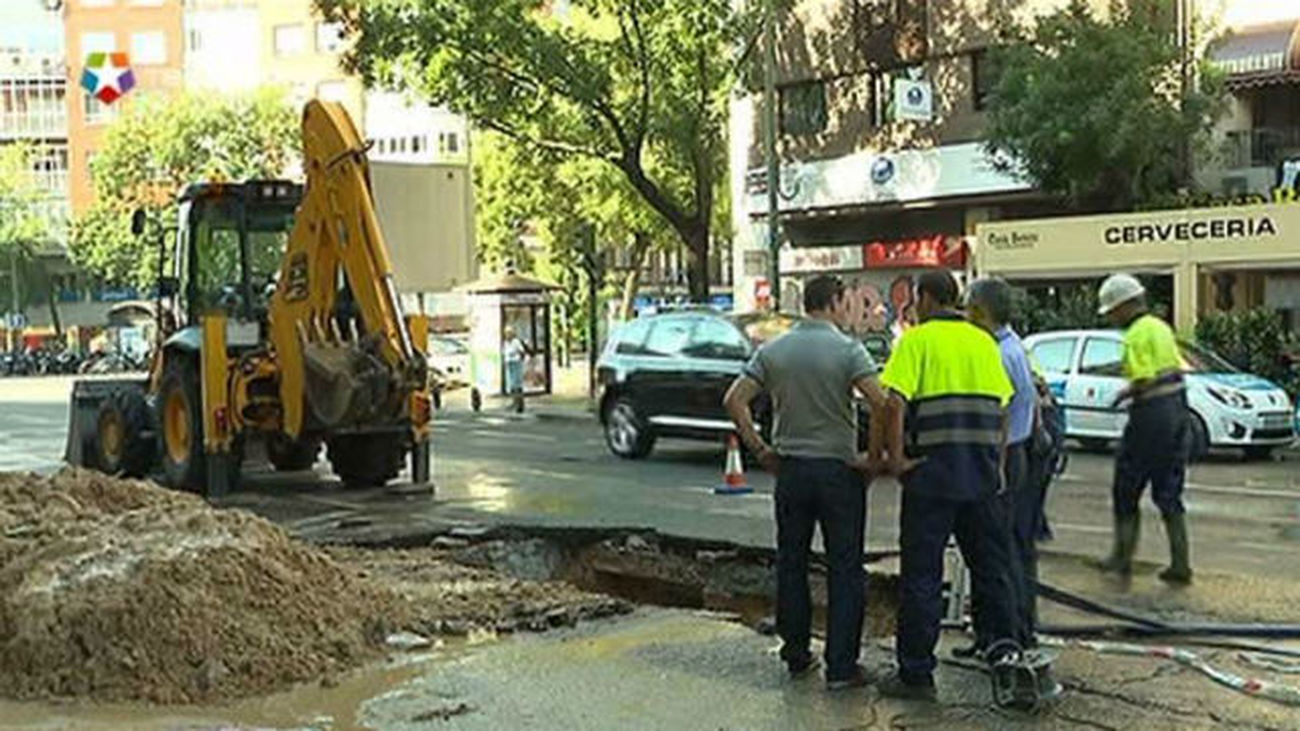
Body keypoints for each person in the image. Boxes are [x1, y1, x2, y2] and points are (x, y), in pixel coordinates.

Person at [724, 274, 888, 691]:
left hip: (791, 469)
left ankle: (796, 653)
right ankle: (841, 667)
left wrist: (760, 449)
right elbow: (881, 401)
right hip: (838, 471)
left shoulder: (775, 349)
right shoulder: (848, 350)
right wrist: (872, 456)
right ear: (833, 303)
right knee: (845, 567)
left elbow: (734, 399)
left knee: (792, 562)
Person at [875, 270, 1020, 701]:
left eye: (915, 296)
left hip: (931, 478)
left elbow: (894, 402)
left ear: (925, 297)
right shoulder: (983, 342)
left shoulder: (915, 341)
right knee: (990, 568)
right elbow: (1002, 410)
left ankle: (916, 673)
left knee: (922, 575)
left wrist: (896, 459)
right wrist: (1000, 467)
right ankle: (1005, 654)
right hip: (980, 477)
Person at [1095, 274, 1192, 584]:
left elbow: (1144, 378)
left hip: (1150, 418)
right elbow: (1175, 368)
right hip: (1178, 410)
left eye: (1112, 312)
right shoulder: (1162, 328)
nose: (1111, 318)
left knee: (1126, 486)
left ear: (1125, 306)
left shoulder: (1135, 335)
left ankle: (1121, 558)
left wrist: (1123, 394)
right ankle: (1180, 564)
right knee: (1169, 492)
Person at [965, 277, 1038, 650]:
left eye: (968, 307)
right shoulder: (1013, 346)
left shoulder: (998, 353)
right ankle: (999, 633)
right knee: (1005, 547)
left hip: (1005, 458)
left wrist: (993, 468)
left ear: (981, 310)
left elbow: (1000, 414)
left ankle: (1006, 637)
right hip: (1018, 454)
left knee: (997, 550)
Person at [502, 326, 529, 413]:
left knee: (517, 384)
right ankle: (514, 402)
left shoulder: (516, 342)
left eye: (509, 333)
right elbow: (504, 353)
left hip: (516, 363)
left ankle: (520, 404)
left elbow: (522, 351)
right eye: (506, 333)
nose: (507, 335)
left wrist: (520, 359)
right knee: (512, 385)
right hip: (509, 364)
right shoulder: (505, 343)